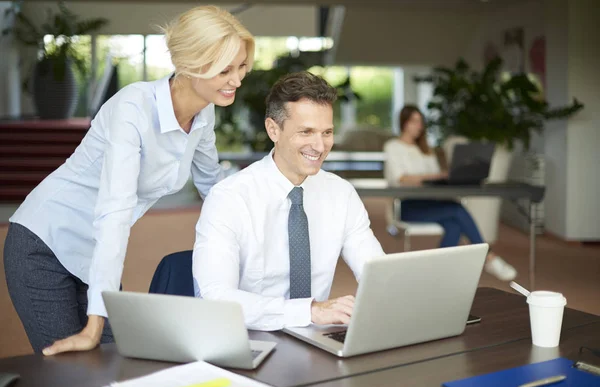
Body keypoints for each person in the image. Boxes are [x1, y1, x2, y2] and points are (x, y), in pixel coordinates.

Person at [3, 5, 255, 355]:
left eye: (241, 66)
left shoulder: (203, 111)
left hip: (96, 253)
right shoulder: (132, 110)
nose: (238, 80)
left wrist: (253, 244)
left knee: (108, 366)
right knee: (67, 374)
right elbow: (115, 215)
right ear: (190, 64)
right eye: (225, 69)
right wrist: (94, 327)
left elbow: (213, 184)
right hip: (44, 242)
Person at [193, 71, 385, 330]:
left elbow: (377, 272)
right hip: (249, 338)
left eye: (327, 132)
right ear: (273, 129)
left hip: (315, 339)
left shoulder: (341, 194)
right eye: (306, 132)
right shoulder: (229, 198)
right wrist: (308, 311)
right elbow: (215, 297)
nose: (319, 146)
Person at [383, 105, 517, 281]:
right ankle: (489, 257)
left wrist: (446, 177)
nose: (419, 126)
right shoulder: (393, 146)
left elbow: (435, 178)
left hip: (429, 201)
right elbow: (400, 178)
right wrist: (434, 175)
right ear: (404, 122)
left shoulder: (425, 149)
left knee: (454, 225)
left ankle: (438, 273)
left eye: (421, 122)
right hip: (407, 205)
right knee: (456, 210)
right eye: (414, 121)